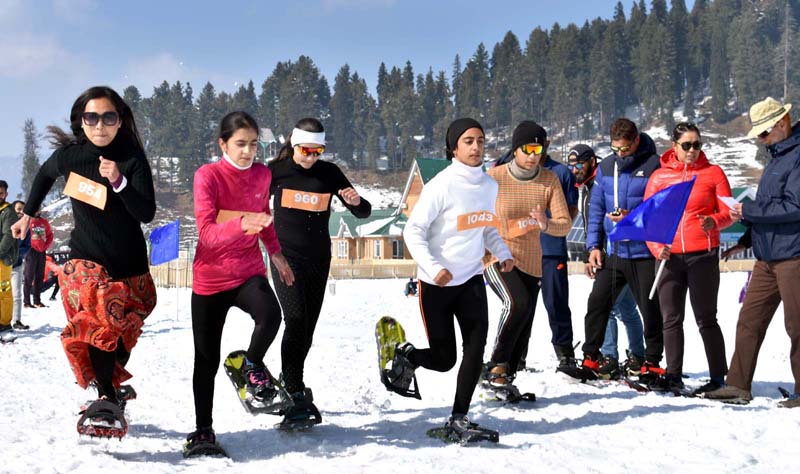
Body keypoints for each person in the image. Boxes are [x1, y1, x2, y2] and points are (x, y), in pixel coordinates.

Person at [11, 85, 157, 435]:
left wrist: (119, 181)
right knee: (99, 324)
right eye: (92, 117)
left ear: (120, 121)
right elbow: (45, 175)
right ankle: (106, 399)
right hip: (85, 261)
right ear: (81, 121)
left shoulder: (132, 160)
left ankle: (109, 386)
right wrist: (28, 215)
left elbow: (146, 212)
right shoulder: (71, 157)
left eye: (109, 117)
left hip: (129, 266)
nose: (100, 125)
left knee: (120, 340)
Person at [394, 118, 514, 440]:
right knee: (445, 359)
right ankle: (409, 357)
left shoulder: (489, 186)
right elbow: (413, 231)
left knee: (475, 349)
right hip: (436, 285)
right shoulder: (441, 186)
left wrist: (502, 252)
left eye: (480, 141)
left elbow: (486, 227)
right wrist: (434, 268)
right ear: (453, 148)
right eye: (468, 141)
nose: (476, 147)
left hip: (472, 279)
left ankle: (458, 418)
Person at [187, 111, 295, 451]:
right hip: (211, 278)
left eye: (253, 144)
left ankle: (251, 364)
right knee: (206, 359)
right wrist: (242, 223)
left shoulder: (262, 175)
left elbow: (265, 219)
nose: (248, 152)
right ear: (223, 144)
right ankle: (203, 428)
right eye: (240, 144)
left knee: (271, 315)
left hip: (248, 271)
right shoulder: (208, 176)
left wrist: (275, 254)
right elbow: (206, 233)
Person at [268, 117, 371, 425]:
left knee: (307, 331)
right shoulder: (274, 172)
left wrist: (356, 201)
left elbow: (363, 211)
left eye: (318, 151)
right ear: (293, 143)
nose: (312, 157)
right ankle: (293, 388)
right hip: (286, 258)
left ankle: (291, 379)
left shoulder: (329, 173)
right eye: (306, 150)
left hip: (318, 259)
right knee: (295, 319)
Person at [705, 97, 800, 408]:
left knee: (796, 326)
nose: (760, 139)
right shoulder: (777, 156)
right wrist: (746, 239)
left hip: (794, 256)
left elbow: (793, 207)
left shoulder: (797, 156)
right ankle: (737, 385)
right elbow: (771, 208)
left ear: (782, 122)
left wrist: (748, 211)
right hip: (767, 257)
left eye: (763, 133)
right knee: (749, 321)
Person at [565, 118, 664, 382]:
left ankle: (652, 363)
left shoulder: (654, 165)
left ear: (636, 141)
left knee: (650, 308)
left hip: (644, 253)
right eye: (615, 149)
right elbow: (595, 209)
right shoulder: (607, 167)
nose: (620, 154)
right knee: (597, 303)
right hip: (615, 252)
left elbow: (660, 206)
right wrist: (593, 247)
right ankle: (591, 358)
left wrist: (633, 216)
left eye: (625, 149)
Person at [482, 121, 571, 392]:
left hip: (532, 261)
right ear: (515, 149)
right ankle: (494, 367)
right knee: (516, 304)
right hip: (497, 254)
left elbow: (565, 223)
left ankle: (506, 376)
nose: (533, 155)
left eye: (539, 149)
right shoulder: (494, 177)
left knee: (524, 318)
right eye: (528, 148)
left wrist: (545, 224)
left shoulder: (549, 180)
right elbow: (473, 213)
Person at [644, 122, 733, 394]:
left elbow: (730, 212)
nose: (693, 150)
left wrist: (714, 221)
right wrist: (658, 249)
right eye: (687, 145)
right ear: (675, 147)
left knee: (706, 317)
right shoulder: (659, 177)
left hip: (702, 256)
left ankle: (719, 376)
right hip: (669, 258)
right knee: (671, 318)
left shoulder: (713, 173)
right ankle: (673, 375)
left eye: (697, 145)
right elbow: (648, 220)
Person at [567, 145, 645, 379]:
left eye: (578, 164)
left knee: (607, 307)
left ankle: (608, 357)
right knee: (626, 308)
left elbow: (603, 221)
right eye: (571, 165)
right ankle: (638, 355)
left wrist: (597, 250)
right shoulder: (587, 187)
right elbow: (591, 223)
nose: (574, 169)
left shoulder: (604, 182)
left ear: (591, 161)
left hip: (614, 252)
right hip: (603, 251)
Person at [0, 180, 19, 335]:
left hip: (3, 260)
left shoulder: (8, 212)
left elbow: (8, 236)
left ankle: (5, 323)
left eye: (1, 193)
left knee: (4, 290)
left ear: (6, 194)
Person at [22, 210, 52, 308]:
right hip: (30, 251)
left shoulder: (44, 222)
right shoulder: (27, 220)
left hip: (41, 252)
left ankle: (37, 301)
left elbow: (50, 236)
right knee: (28, 277)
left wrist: (45, 246)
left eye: (39, 208)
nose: (37, 210)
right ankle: (26, 302)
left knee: (39, 277)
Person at [10, 200, 31, 330]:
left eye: (23, 210)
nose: (20, 212)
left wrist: (16, 254)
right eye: (18, 209)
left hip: (16, 265)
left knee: (17, 295)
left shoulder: (26, 228)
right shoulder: (5, 224)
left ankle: (16, 320)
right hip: (2, 265)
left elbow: (27, 246)